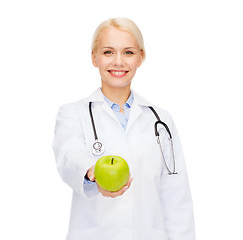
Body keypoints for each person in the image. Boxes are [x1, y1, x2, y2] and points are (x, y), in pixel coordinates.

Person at [53, 17, 195, 240]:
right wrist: (92, 173)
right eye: (108, 52)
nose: (118, 61)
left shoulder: (161, 120)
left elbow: (176, 197)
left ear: (140, 57)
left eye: (128, 52)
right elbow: (68, 156)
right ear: (94, 58)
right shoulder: (73, 114)